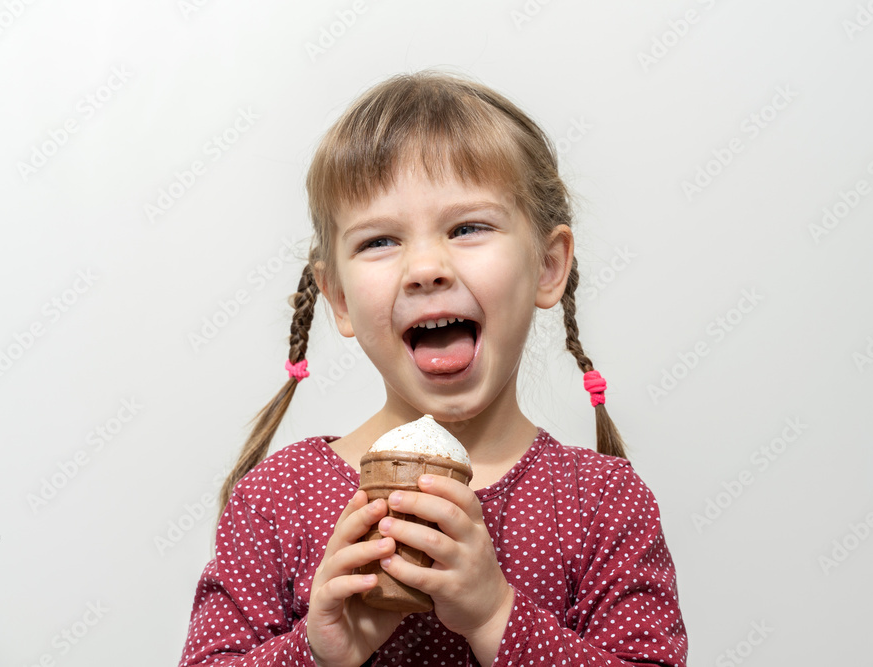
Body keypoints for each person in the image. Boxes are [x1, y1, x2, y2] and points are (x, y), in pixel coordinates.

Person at [177, 70, 688, 667]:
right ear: (338, 297)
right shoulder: (279, 498)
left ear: (549, 266)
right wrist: (315, 650)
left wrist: (497, 615)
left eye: (468, 227)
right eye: (379, 241)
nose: (426, 267)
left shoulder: (602, 502)